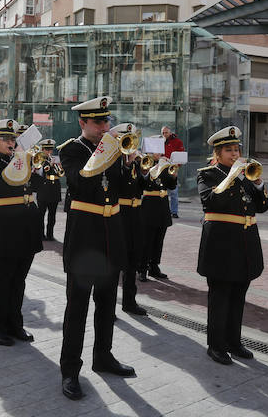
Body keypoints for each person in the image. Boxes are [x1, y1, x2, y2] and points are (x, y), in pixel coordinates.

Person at [58, 96, 137, 400]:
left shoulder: (114, 150)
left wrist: (128, 164)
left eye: (106, 121)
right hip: (84, 237)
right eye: (98, 122)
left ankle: (103, 356)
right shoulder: (71, 150)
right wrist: (107, 150)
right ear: (83, 122)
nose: (105, 126)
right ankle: (70, 370)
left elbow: (125, 190)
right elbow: (81, 183)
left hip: (110, 234)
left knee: (107, 304)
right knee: (77, 309)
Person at [197, 126, 268, 365]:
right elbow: (211, 202)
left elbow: (262, 207)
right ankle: (216, 345)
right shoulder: (208, 175)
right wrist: (231, 178)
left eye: (237, 149)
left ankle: (233, 342)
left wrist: (258, 184)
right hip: (221, 245)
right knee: (220, 297)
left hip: (245, 244)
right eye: (229, 150)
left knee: (238, 296)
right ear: (217, 154)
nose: (235, 154)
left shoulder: (244, 175)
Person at [0, 119, 43, 345]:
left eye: (13, 139)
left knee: (17, 280)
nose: (11, 143)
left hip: (23, 228)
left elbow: (38, 185)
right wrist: (21, 160)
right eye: (5, 139)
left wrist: (35, 168)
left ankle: (15, 324)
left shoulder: (19, 160)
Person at [110, 124, 147, 316]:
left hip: (135, 215)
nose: (130, 146)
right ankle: (109, 307)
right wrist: (126, 164)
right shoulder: (113, 162)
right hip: (119, 214)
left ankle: (129, 302)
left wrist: (147, 170)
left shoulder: (135, 162)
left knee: (132, 261)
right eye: (126, 141)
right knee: (115, 263)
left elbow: (144, 186)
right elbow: (117, 185)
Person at [139, 151, 178, 282]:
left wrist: (173, 176)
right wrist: (151, 170)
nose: (159, 153)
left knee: (158, 240)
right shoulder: (144, 163)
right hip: (149, 206)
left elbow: (171, 186)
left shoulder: (165, 165)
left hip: (162, 206)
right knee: (146, 241)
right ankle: (142, 268)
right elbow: (142, 184)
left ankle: (154, 266)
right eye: (156, 150)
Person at [36, 139, 63, 241]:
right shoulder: (39, 159)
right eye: (47, 149)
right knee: (41, 214)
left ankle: (50, 235)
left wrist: (59, 166)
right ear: (42, 150)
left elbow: (60, 173)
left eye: (50, 149)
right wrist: (49, 165)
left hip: (54, 189)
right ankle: (41, 234)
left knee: (52, 214)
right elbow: (40, 172)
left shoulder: (55, 160)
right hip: (43, 189)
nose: (49, 152)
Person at [162, 126, 184, 218]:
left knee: (174, 192)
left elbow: (181, 156)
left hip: (172, 168)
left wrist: (176, 167)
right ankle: (164, 211)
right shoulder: (160, 141)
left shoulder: (178, 142)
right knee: (162, 191)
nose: (164, 134)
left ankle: (174, 212)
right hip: (161, 168)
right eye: (163, 133)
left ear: (170, 133)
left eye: (166, 132)